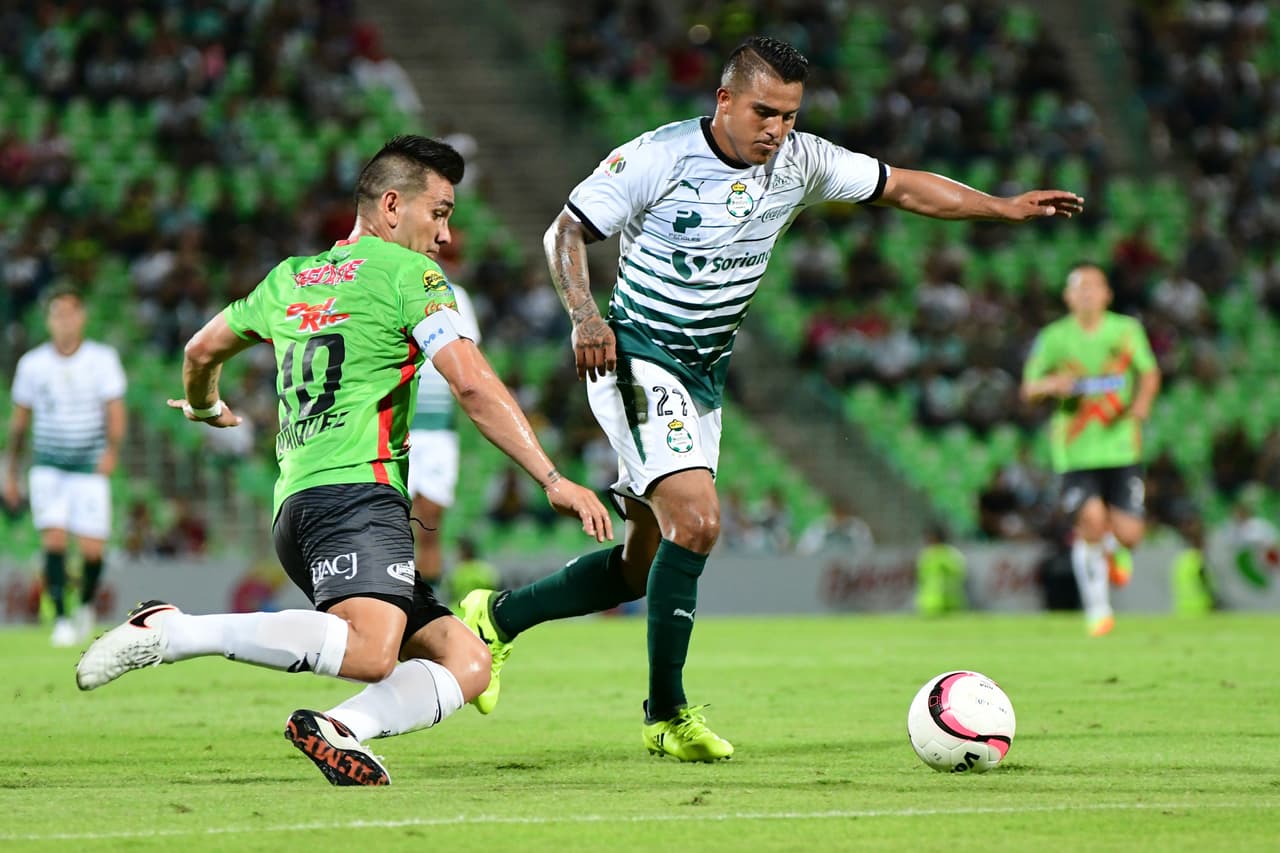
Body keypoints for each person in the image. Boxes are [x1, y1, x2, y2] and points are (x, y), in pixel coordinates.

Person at [459, 36, 1084, 761]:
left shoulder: (802, 160)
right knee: (697, 520)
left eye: (789, 115)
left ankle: (496, 618)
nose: (776, 129)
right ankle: (667, 713)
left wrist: (1001, 208)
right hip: (635, 352)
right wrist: (584, 314)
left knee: (641, 563)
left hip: (704, 372)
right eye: (764, 111)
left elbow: (904, 185)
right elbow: (566, 229)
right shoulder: (657, 157)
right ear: (724, 100)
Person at [75, 135, 613, 786]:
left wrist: (205, 405)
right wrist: (551, 478)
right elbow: (470, 383)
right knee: (371, 651)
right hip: (358, 493)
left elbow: (199, 351)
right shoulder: (408, 276)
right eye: (439, 212)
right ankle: (174, 629)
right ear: (392, 206)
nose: (445, 234)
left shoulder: (288, 279)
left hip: (296, 508)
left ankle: (341, 728)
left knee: (468, 659)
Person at [1021, 263, 1160, 637]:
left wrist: (1143, 402)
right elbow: (1029, 389)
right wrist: (1052, 384)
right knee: (1091, 524)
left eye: (1093, 286)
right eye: (1078, 287)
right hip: (1075, 451)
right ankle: (1098, 610)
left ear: (1106, 294)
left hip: (1121, 446)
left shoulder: (1126, 331)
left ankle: (1117, 549)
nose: (1085, 293)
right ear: (1067, 297)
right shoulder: (1053, 337)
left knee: (1129, 533)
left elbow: (1149, 372)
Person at [5, 287, 126, 646]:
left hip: (88, 464)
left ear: (82, 317)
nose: (64, 321)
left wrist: (112, 451)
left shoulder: (102, 359)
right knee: (53, 539)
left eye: (70, 313)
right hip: (48, 465)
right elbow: (20, 421)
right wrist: (9, 468)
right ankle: (59, 616)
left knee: (92, 549)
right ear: (48, 320)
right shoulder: (32, 364)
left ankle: (85, 604)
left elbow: (115, 410)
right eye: (57, 314)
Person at [407, 280, 480, 591]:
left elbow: (469, 349)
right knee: (396, 522)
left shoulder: (455, 293)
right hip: (398, 423)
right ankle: (397, 600)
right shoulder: (389, 283)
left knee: (431, 524)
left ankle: (428, 600)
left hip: (439, 431)